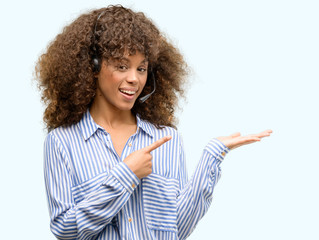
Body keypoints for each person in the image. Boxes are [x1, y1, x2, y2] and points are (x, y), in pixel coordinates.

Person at [36, 5, 272, 240]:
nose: (134, 78)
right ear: (94, 67)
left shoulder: (166, 140)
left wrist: (213, 156)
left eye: (141, 68)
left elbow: (177, 229)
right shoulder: (61, 142)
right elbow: (65, 230)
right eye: (121, 66)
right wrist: (126, 174)